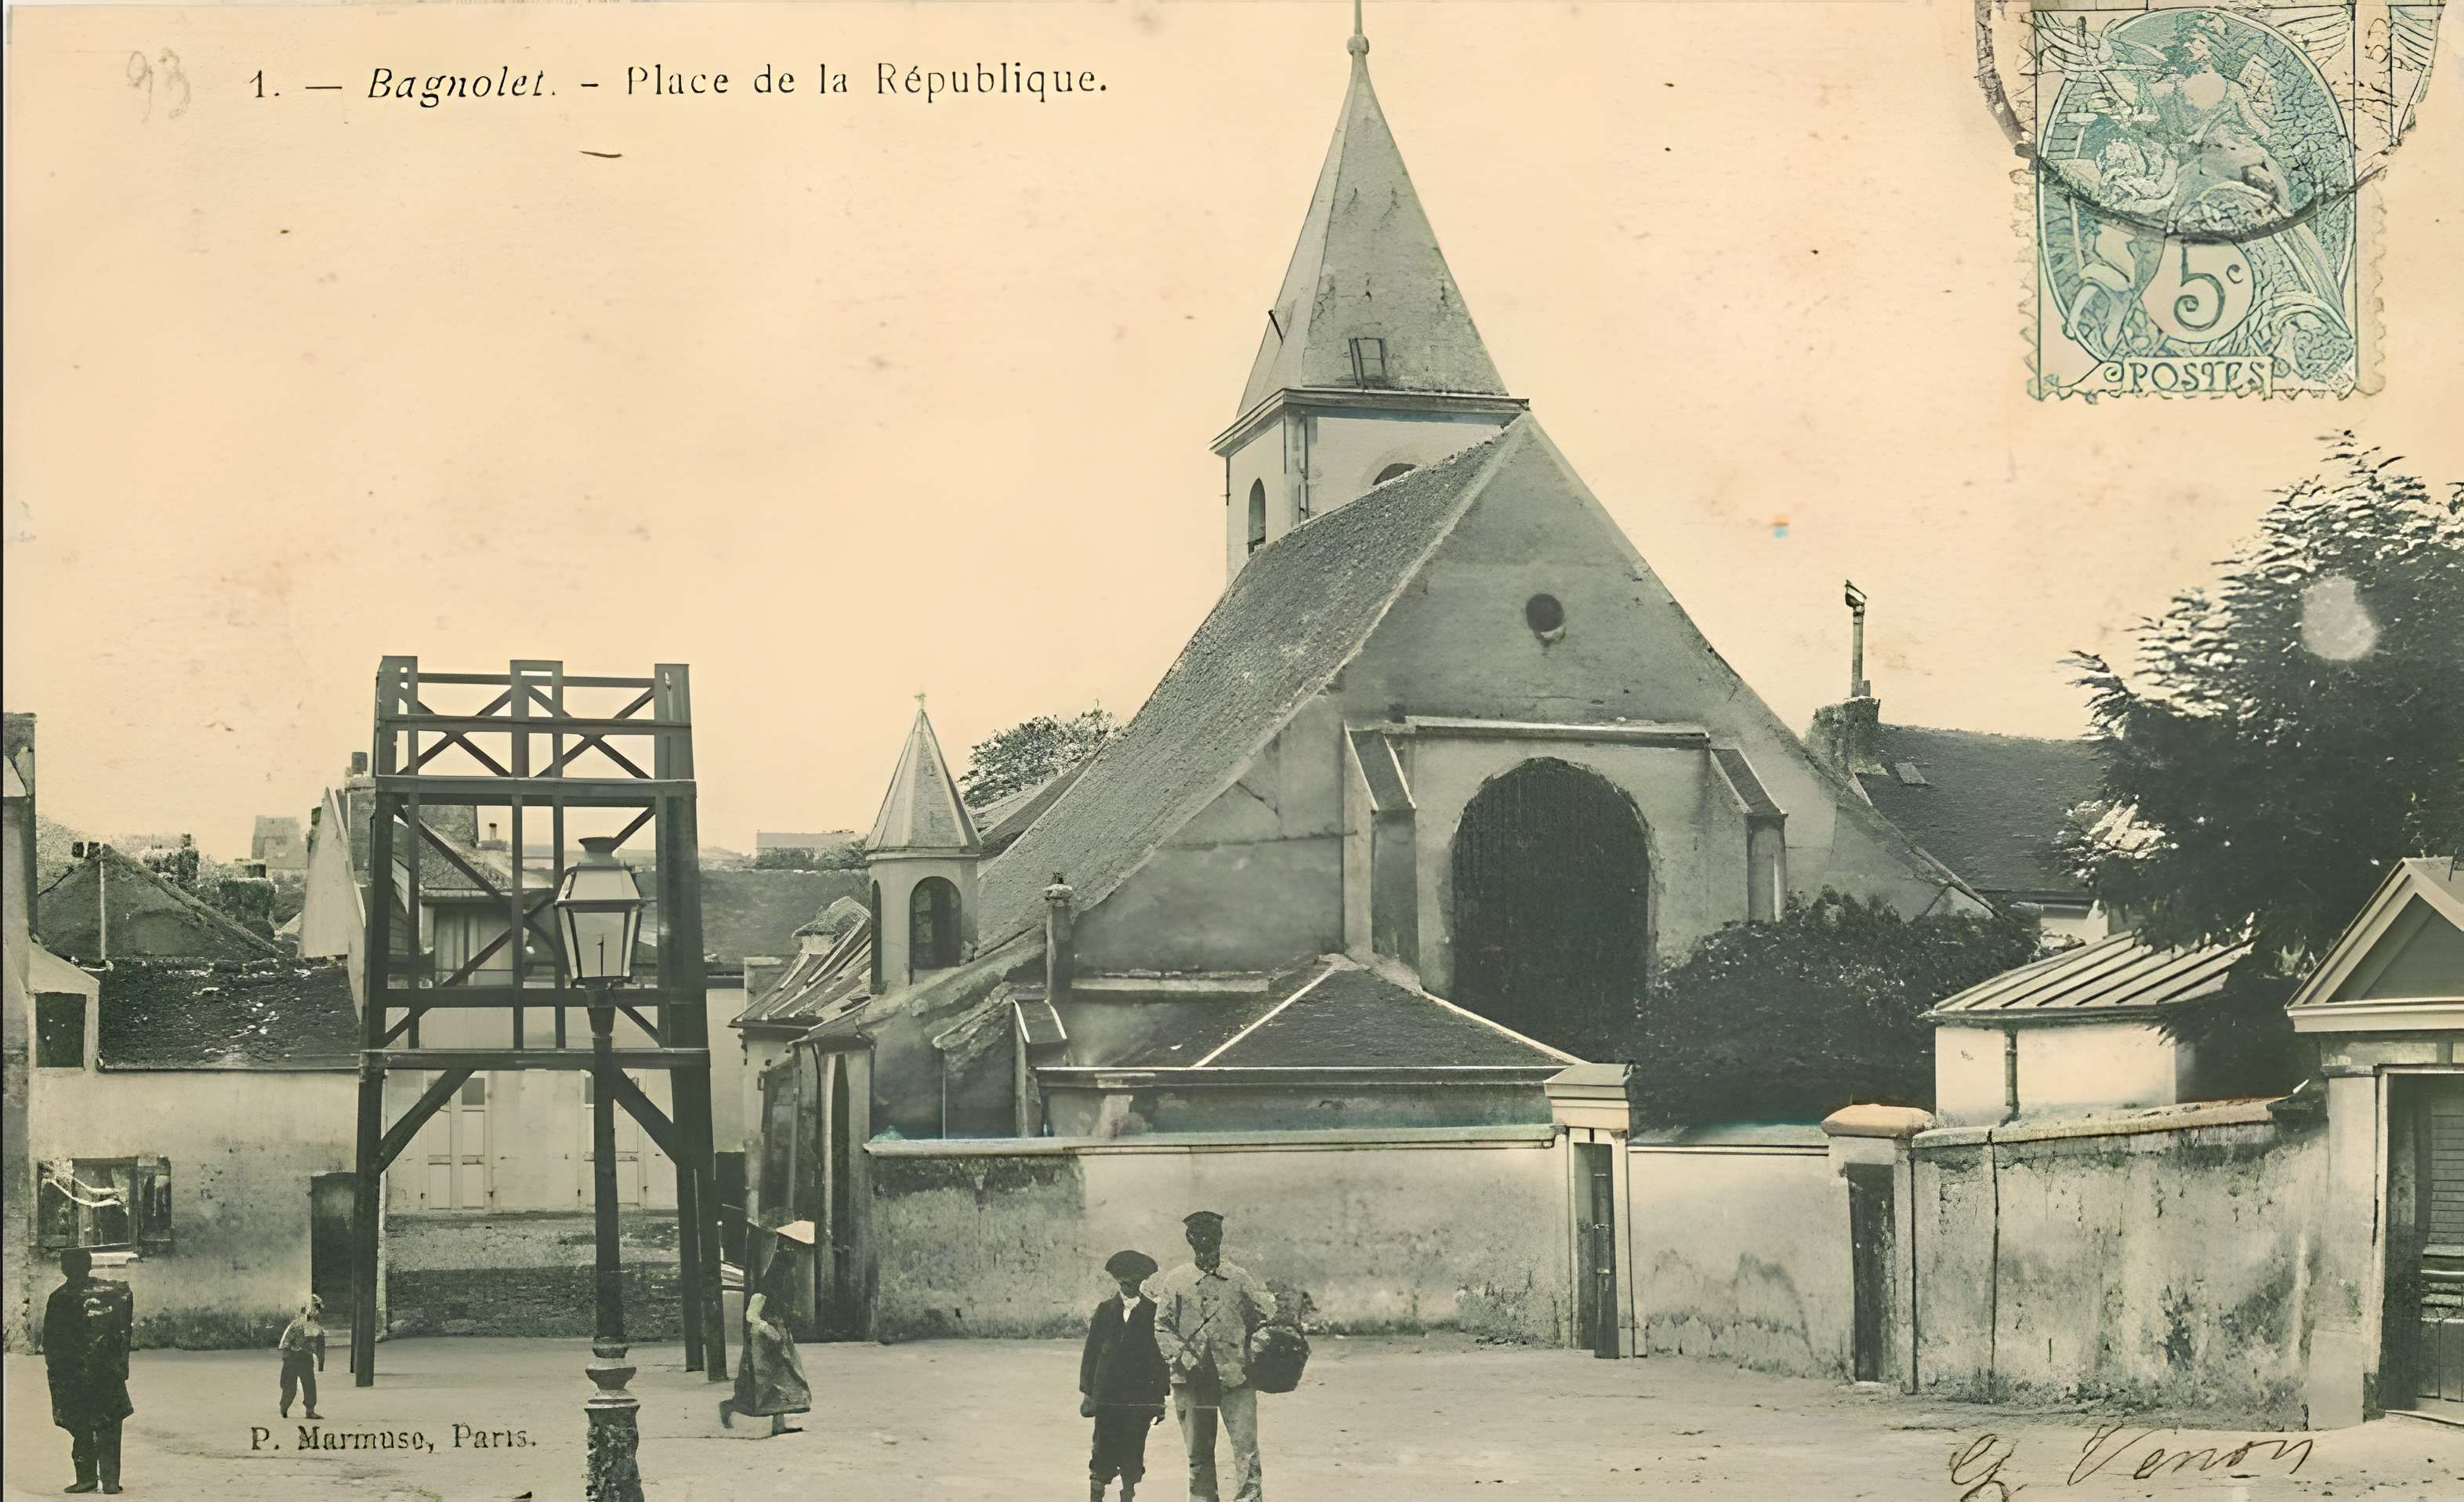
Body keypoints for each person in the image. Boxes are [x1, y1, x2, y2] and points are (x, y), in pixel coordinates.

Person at [1152, 1210, 1276, 1502]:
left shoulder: (1239, 1278)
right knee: (1198, 1453)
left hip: (1236, 1379)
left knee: (1246, 1450)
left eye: (1212, 1234)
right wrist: (1184, 1359)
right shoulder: (1177, 1281)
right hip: (1191, 1381)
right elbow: (1162, 1327)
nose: (1206, 1241)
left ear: (1220, 1238)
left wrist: (1253, 1353)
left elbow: (1265, 1319)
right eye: (1199, 1235)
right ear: (1190, 1240)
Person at [1080, 1249, 1169, 1502]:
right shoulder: (1105, 1310)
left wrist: (1160, 1401)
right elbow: (1091, 1353)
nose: (1129, 1286)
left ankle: (1127, 1495)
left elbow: (1159, 1360)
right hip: (1107, 1396)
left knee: (1133, 1449)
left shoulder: (1153, 1312)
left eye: (1134, 1282)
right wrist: (1088, 1393)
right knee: (1102, 1449)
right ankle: (1096, 1495)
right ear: (1117, 1281)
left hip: (1140, 1398)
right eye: (1124, 1281)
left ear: (1142, 1282)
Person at [44, 1248, 135, 1496]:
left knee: (82, 1427)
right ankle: (109, 1481)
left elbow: (51, 1343)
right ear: (89, 1264)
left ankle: (87, 1479)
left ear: (64, 1267)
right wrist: (120, 1367)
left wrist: (57, 1375)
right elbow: (123, 1333)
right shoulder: (114, 1294)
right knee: (107, 1426)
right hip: (104, 1373)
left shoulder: (60, 1298)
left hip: (77, 1375)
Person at [720, 1221, 814, 1438]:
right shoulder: (765, 1287)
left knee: (785, 1379)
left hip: (779, 1334)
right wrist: (768, 1328)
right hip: (762, 1338)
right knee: (760, 1385)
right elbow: (752, 1316)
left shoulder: (784, 1283)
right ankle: (729, 1407)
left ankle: (778, 1426)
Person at [277, 1294, 328, 1419]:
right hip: (296, 1358)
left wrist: (320, 1363)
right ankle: (289, 1407)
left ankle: (301, 1409)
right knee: (298, 1386)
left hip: (300, 1358)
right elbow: (319, 1346)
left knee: (303, 1385)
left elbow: (320, 1346)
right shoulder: (302, 1325)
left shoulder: (310, 1327)